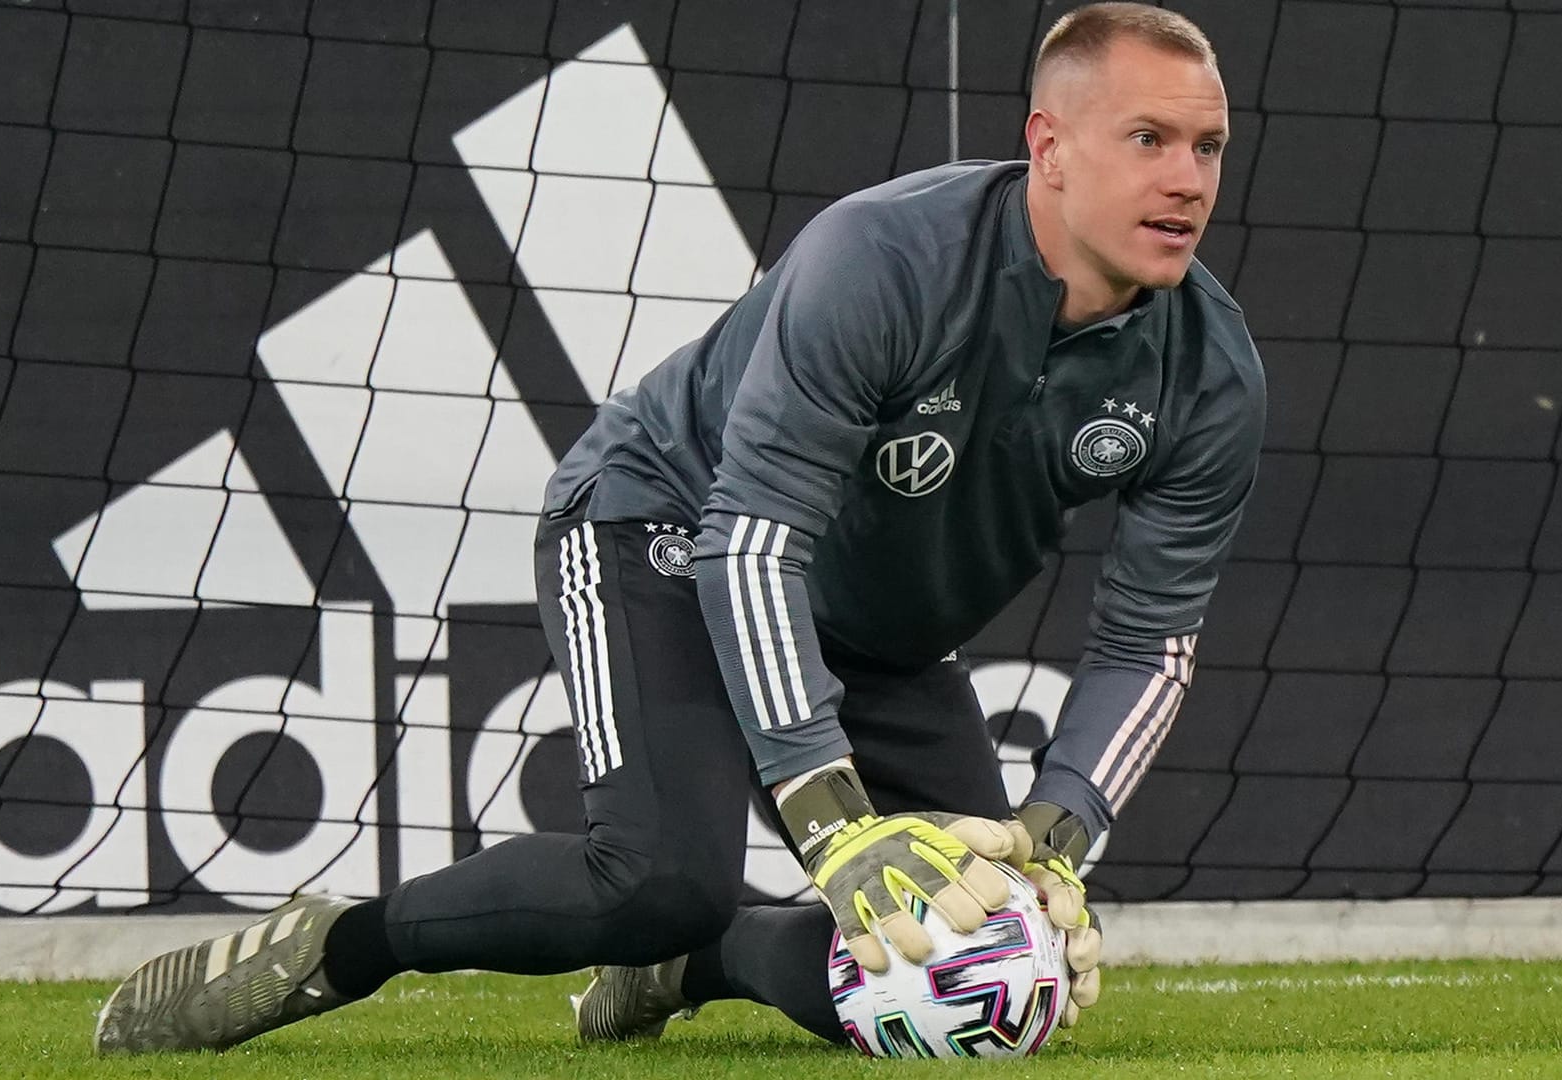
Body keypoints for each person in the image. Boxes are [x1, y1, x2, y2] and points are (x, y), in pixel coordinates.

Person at [92, 0, 1261, 1055]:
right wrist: (831, 816)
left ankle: (696, 967)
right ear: (1049, 149)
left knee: (997, 976)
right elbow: (749, 543)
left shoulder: (1210, 373)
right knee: (653, 878)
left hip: (875, 626)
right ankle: (332, 947)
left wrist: (1058, 835)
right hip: (663, 523)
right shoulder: (889, 261)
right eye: (1148, 139)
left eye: (1206, 145)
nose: (1188, 178)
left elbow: (1146, 642)